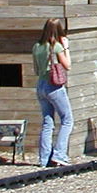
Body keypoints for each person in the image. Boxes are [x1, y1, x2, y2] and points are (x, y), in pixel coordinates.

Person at [32, 17, 73, 167]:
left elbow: (36, 69)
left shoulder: (36, 46)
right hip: (54, 86)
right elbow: (68, 65)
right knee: (67, 120)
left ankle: (44, 159)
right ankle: (59, 154)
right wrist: (66, 47)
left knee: (48, 122)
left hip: (40, 85)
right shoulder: (56, 47)